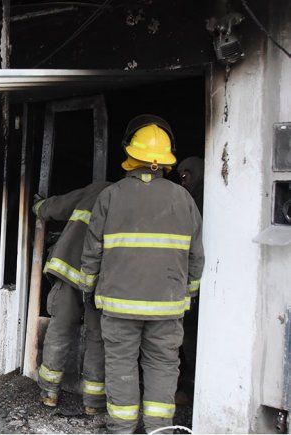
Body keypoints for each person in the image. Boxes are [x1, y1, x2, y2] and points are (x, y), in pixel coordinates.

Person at [80, 115, 204, 433]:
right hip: (167, 307)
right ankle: (159, 428)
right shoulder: (184, 198)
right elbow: (196, 257)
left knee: (121, 362)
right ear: (166, 161)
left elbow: (92, 252)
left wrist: (88, 289)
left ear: (130, 156)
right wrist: (185, 293)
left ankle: (122, 428)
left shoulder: (111, 196)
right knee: (163, 364)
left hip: (119, 304)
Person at [33, 181, 111, 415]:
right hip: (100, 279)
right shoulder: (131, 201)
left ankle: (49, 392)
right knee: (98, 338)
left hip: (69, 269)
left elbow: (58, 206)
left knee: (60, 328)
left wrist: (38, 206)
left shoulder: (97, 189)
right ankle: (93, 403)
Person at [176, 156, 204, 401]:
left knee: (190, 334)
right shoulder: (190, 200)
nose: (183, 182)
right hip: (191, 280)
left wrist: (191, 291)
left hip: (195, 280)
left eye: (186, 176)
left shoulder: (197, 202)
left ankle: (190, 386)